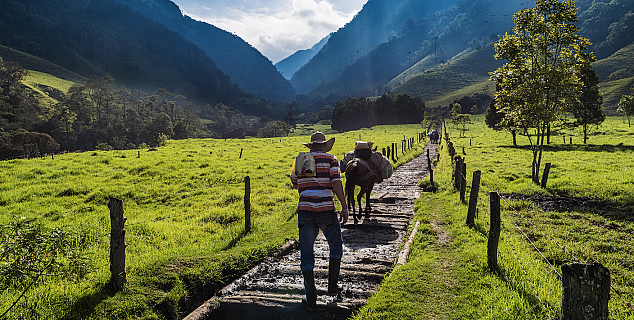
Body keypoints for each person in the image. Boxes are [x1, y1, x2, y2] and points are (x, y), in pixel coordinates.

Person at [290, 131, 349, 310]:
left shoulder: (299, 160)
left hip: (305, 211)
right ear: (324, 145)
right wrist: (344, 206)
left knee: (307, 253)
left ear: (310, 146)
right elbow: (336, 183)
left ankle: (311, 298)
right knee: (335, 245)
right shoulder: (331, 159)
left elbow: (294, 183)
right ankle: (332, 287)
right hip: (326, 210)